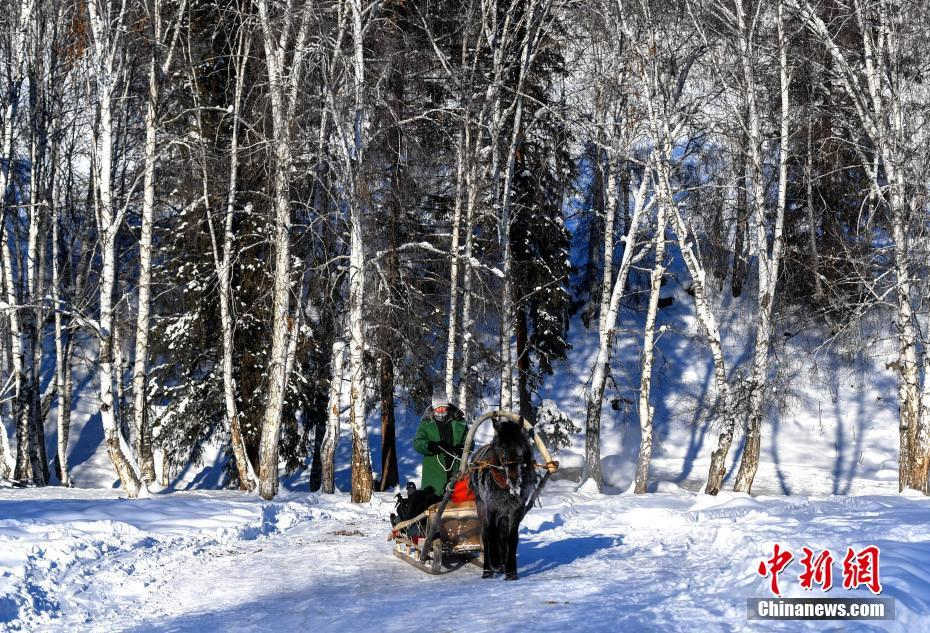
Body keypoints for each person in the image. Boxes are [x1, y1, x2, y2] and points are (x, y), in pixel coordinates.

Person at [413, 395, 467, 497]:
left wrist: (463, 448)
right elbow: (417, 442)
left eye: (443, 406)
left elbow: (469, 441)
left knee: (459, 502)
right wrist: (430, 446)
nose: (441, 409)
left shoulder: (459, 422)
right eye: (438, 407)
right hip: (434, 471)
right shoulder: (426, 424)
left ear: (448, 407)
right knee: (433, 503)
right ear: (433, 408)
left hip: (456, 468)